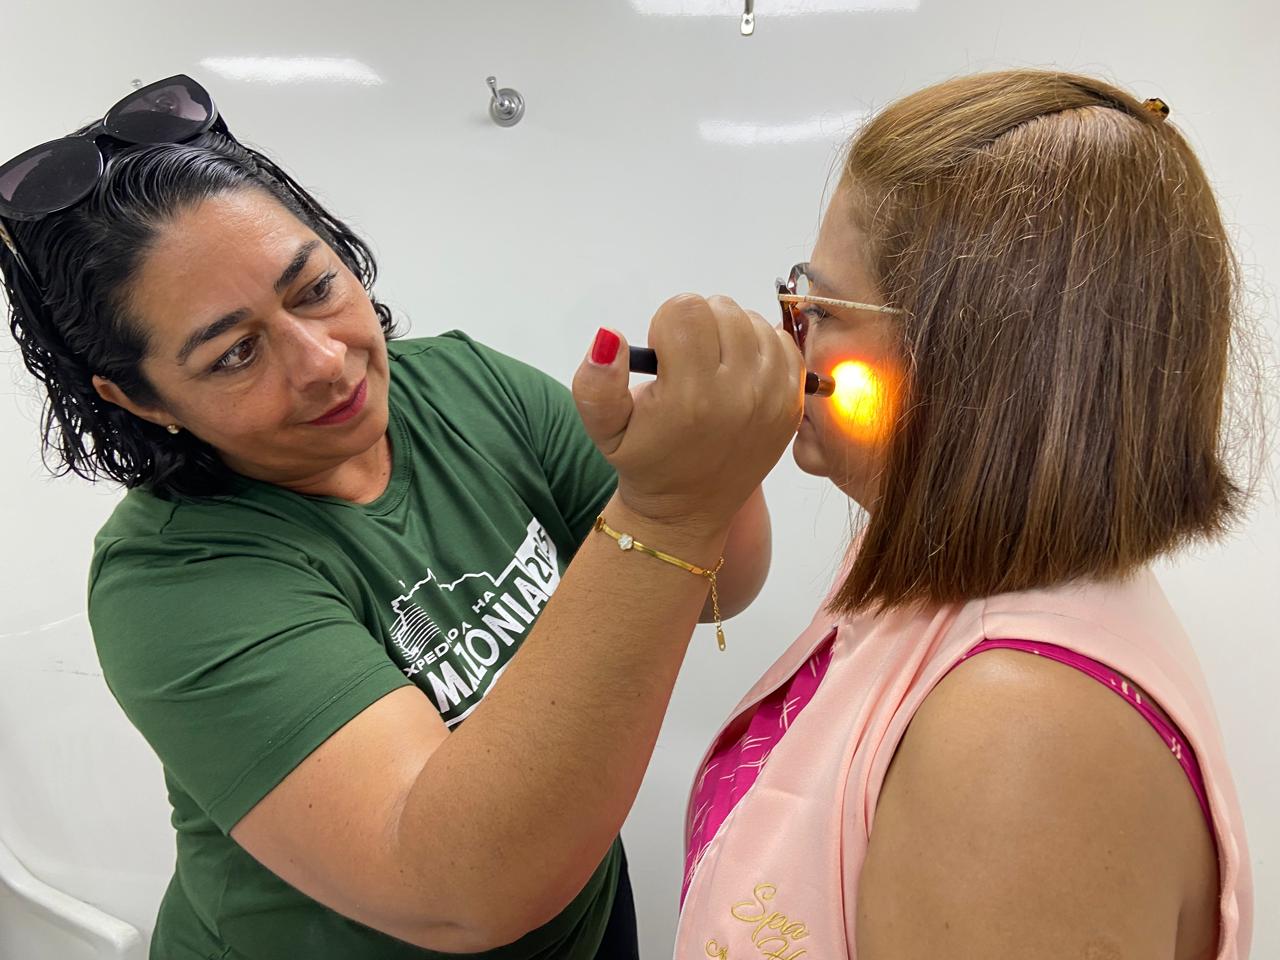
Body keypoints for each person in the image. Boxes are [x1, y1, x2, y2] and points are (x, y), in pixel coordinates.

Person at [0, 75, 805, 959]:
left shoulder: (462, 385)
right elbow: (461, 890)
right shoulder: (173, 581)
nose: (321, 362)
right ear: (141, 399)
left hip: (579, 915)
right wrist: (669, 506)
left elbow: (715, 587)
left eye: (313, 289)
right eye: (235, 353)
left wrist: (714, 456)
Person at [673, 69, 1254, 959]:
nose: (790, 332)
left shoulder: (1019, 741)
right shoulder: (929, 556)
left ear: (972, 368)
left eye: (820, 307)